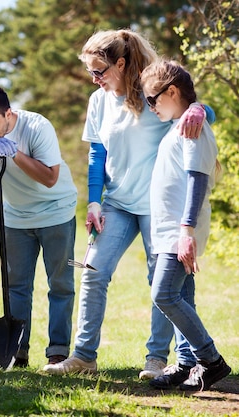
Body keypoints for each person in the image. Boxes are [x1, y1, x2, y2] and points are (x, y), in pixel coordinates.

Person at [43, 29, 207, 378]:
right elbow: (96, 153)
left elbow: (190, 107)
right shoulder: (98, 101)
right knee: (93, 273)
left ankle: (157, 359)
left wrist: (200, 108)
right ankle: (84, 356)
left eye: (99, 71)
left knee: (161, 283)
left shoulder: (152, 92)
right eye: (90, 71)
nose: (93, 78)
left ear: (121, 63)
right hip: (116, 202)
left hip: (158, 205)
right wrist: (93, 202)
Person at [0, 85, 78, 367]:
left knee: (60, 285)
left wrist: (15, 154)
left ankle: (58, 351)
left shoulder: (37, 127)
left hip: (56, 212)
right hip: (15, 217)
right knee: (16, 286)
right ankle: (17, 351)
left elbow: (50, 177)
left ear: (9, 113)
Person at [141, 60, 230, 391]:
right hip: (169, 231)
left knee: (163, 293)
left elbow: (197, 180)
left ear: (172, 91)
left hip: (180, 232)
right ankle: (187, 362)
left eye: (153, 100)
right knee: (182, 297)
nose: (151, 107)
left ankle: (210, 360)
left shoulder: (192, 127)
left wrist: (186, 232)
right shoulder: (180, 123)